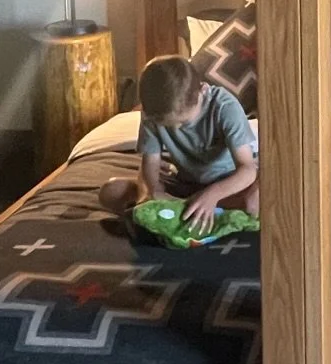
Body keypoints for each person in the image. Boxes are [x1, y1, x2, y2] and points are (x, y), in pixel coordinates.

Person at [99, 54, 259, 232]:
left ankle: (186, 209)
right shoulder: (153, 113)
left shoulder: (224, 107)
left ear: (202, 91)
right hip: (184, 182)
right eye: (167, 125)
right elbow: (151, 162)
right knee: (110, 192)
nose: (175, 129)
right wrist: (154, 192)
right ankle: (190, 209)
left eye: (183, 123)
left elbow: (247, 169)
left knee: (253, 202)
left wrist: (211, 195)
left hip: (227, 183)